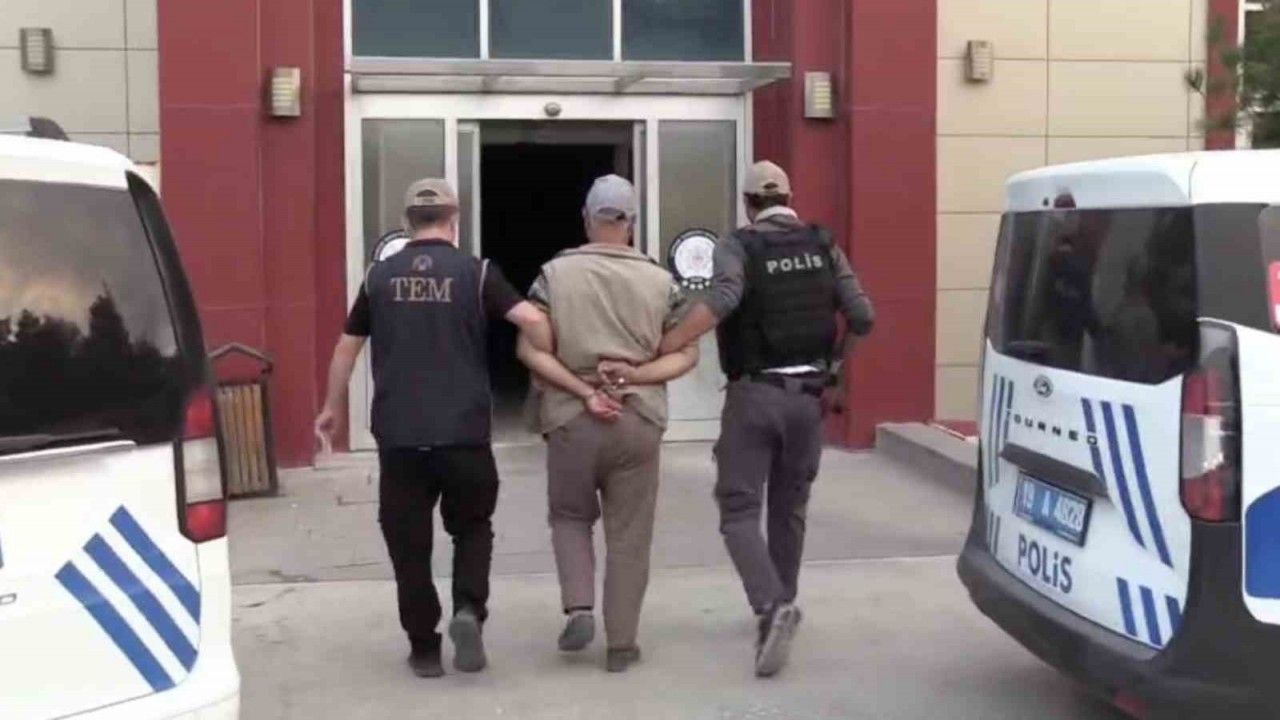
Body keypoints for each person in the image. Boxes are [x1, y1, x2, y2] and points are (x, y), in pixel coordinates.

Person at [314, 178, 553, 678]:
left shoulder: (379, 277)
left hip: (401, 436)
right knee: (472, 528)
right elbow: (531, 321)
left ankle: (424, 648)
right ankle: (468, 610)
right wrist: (545, 365)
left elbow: (345, 349)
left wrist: (332, 408)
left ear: (407, 223)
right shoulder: (477, 273)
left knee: (408, 545)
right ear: (454, 221)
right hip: (464, 433)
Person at [658, 161, 875, 678]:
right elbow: (863, 316)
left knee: (738, 509)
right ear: (789, 199)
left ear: (749, 204)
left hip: (755, 395)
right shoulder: (823, 244)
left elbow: (724, 298)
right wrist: (834, 369)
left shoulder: (738, 245)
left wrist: (669, 341)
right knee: (790, 506)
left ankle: (771, 607)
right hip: (808, 399)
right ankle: (786, 599)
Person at [515, 175, 699, 673]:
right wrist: (636, 375)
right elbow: (686, 353)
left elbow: (529, 348)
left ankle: (579, 606)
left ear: (586, 220)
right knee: (629, 534)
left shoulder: (554, 275)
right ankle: (621, 644)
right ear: (631, 223)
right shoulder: (661, 282)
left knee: (570, 516)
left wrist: (582, 389)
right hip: (638, 416)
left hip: (571, 417)